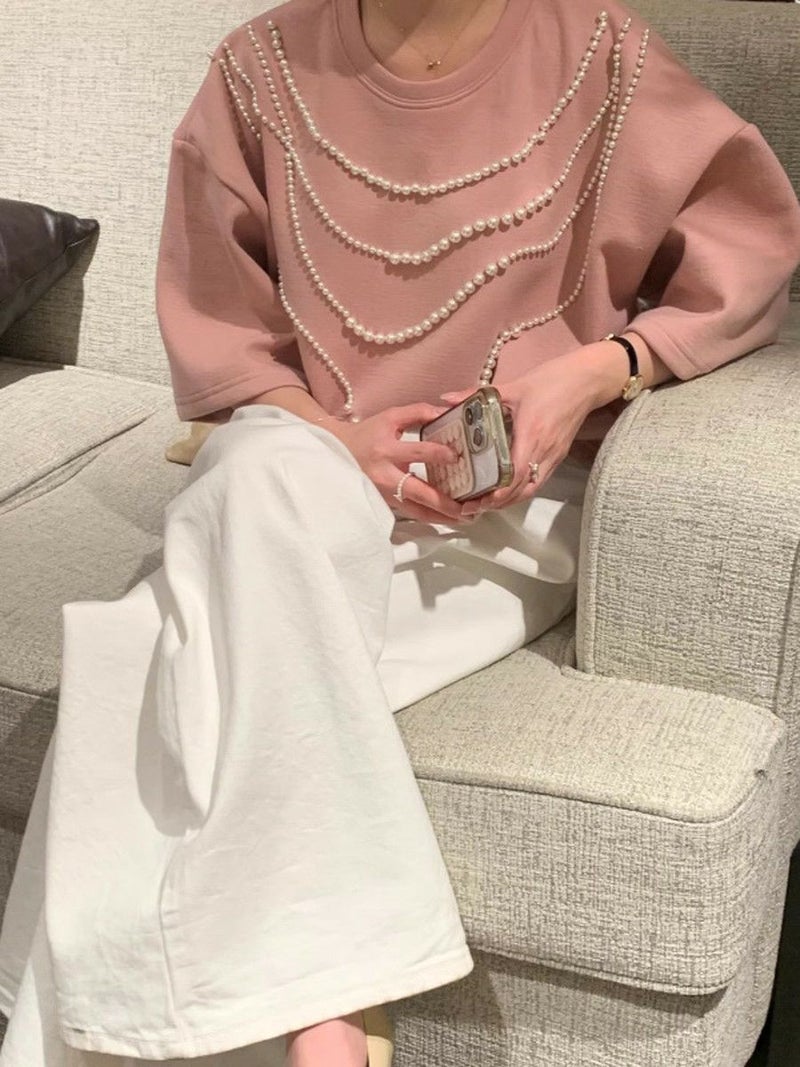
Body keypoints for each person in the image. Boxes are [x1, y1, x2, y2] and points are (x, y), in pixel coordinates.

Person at [0, 0, 798, 1065]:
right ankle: (332, 1001)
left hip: (502, 515)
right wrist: (337, 441)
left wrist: (594, 370)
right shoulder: (255, 73)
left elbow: (749, 251)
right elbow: (226, 343)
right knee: (264, 470)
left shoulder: (601, 55)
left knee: (161, 655)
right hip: (298, 484)